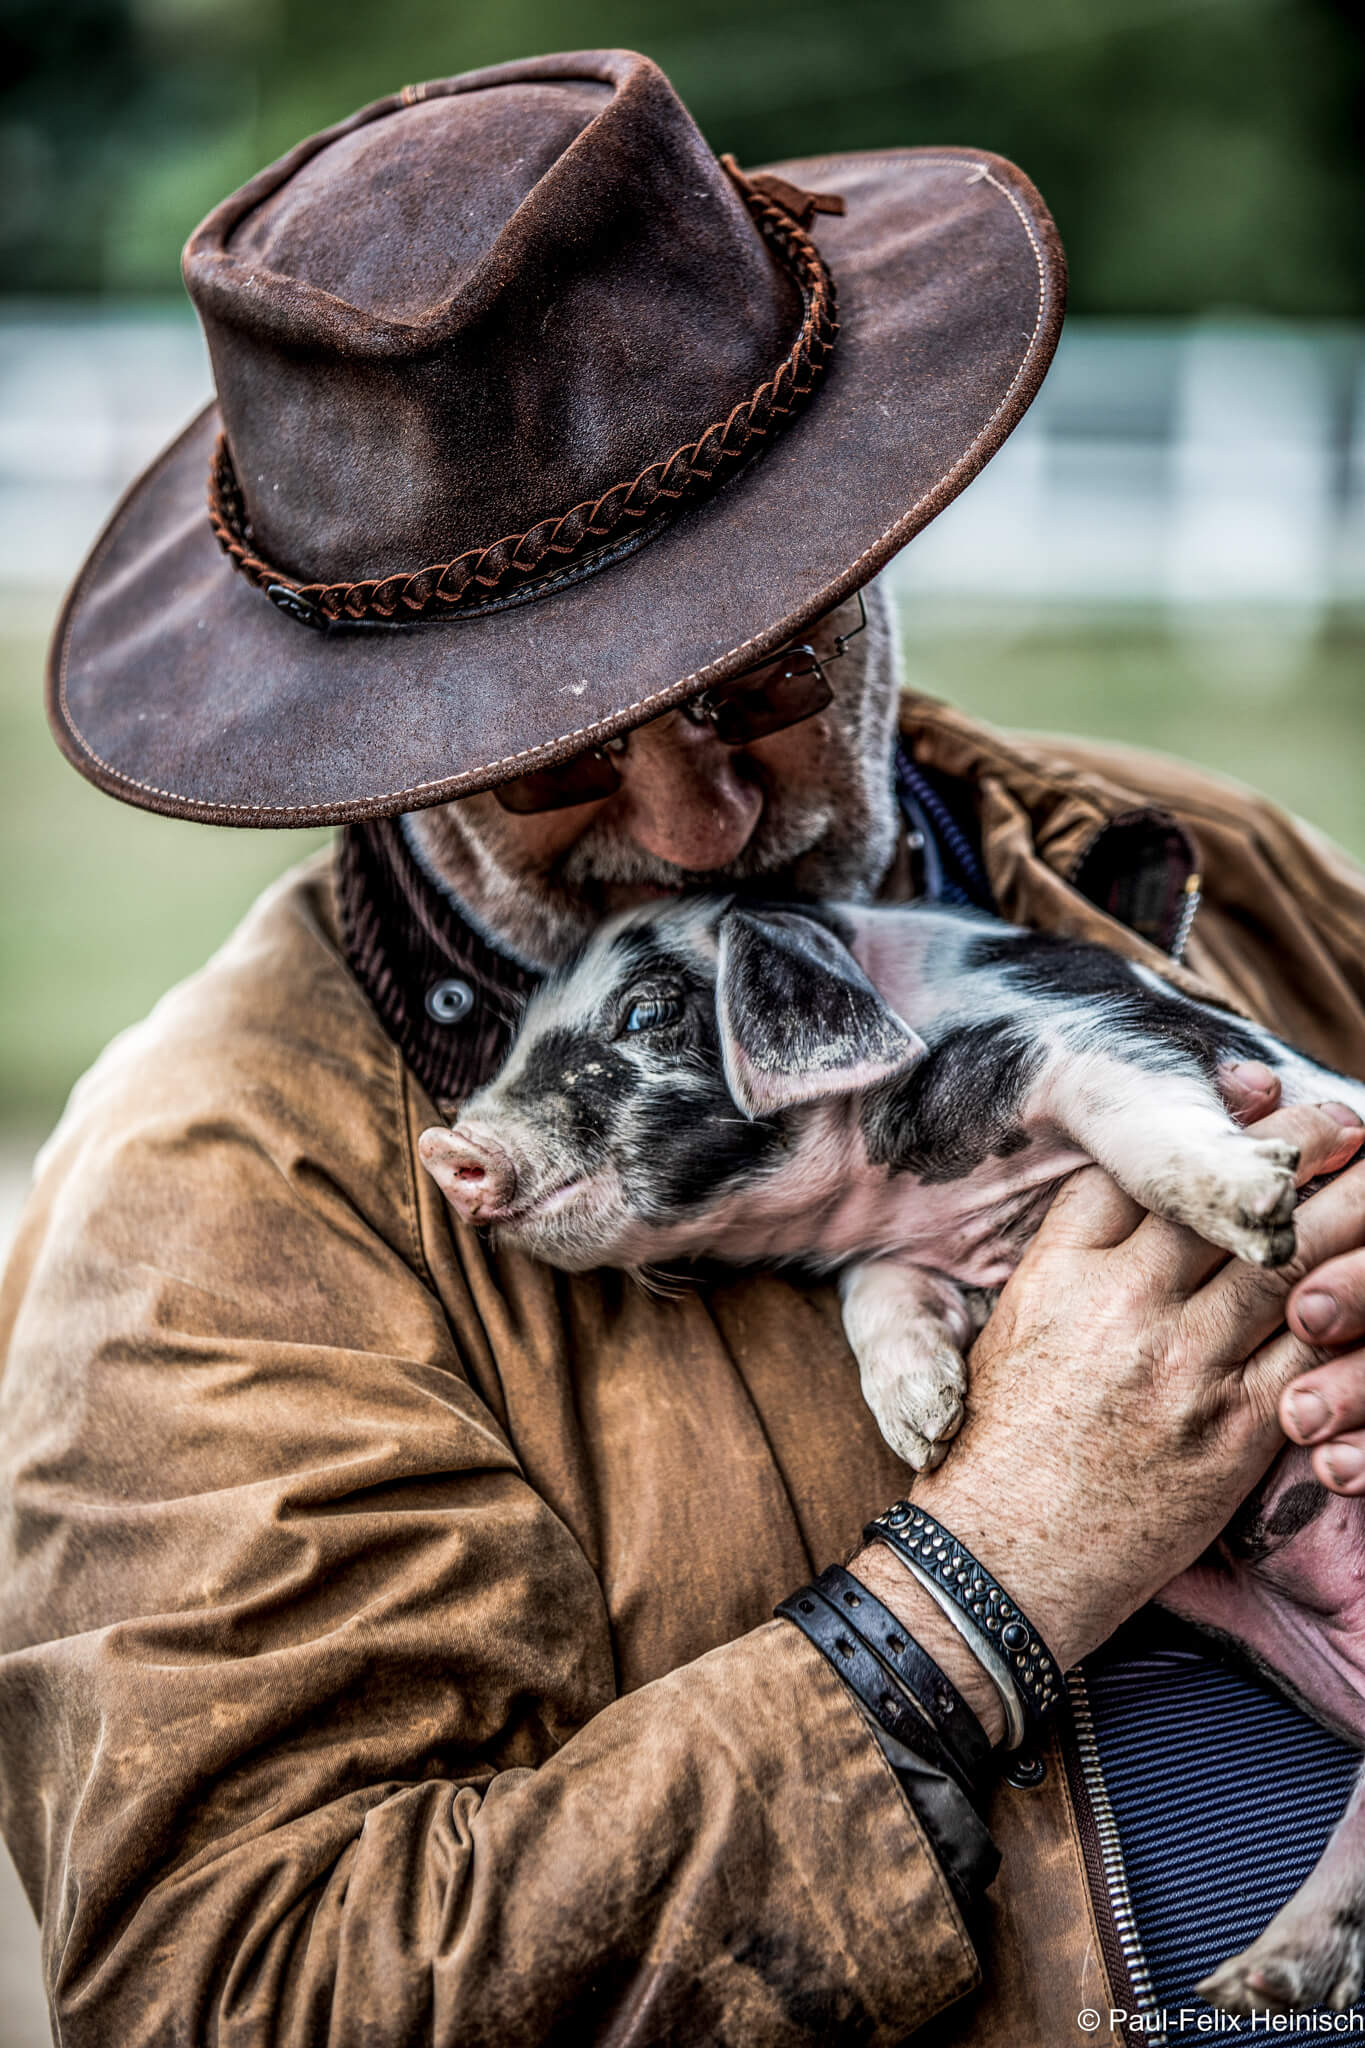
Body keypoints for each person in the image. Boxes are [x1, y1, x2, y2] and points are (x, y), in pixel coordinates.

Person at [4, 47, 1365, 2047]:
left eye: (760, 675)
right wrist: (991, 1568)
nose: (695, 821)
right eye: (558, 755)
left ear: (859, 557)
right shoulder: (217, 1196)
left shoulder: (1191, 854)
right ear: (398, 748)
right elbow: (257, 1987)